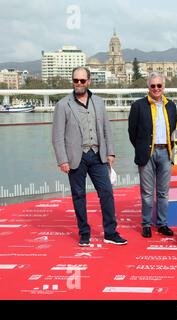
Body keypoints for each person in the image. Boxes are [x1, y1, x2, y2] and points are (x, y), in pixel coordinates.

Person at [52, 67, 127, 246]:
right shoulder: (63, 105)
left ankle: (110, 232)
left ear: (89, 81)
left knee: (107, 193)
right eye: (76, 80)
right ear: (72, 81)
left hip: (97, 155)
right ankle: (84, 233)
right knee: (79, 196)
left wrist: (110, 152)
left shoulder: (99, 102)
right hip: (75, 157)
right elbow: (57, 136)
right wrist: (62, 160)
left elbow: (107, 129)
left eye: (82, 81)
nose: (79, 84)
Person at [128, 72, 177, 238]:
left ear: (164, 87)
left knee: (163, 193)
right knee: (147, 193)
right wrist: (142, 148)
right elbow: (132, 133)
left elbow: (174, 128)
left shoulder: (171, 106)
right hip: (147, 153)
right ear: (148, 87)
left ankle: (162, 224)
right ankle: (146, 224)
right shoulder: (138, 106)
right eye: (153, 85)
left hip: (165, 152)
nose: (156, 88)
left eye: (159, 85)